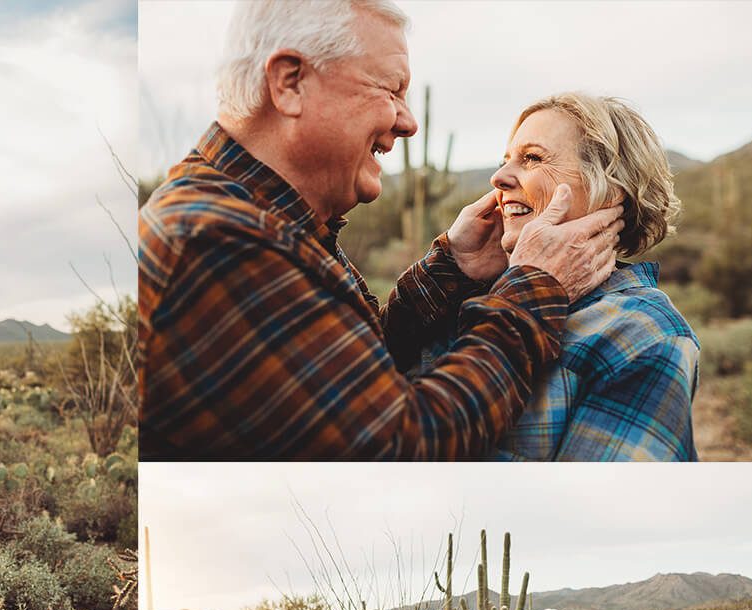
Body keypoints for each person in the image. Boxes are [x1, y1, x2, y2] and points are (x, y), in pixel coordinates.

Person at [138, 0, 626, 459]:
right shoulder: (222, 242)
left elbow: (342, 385)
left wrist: (450, 270)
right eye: (391, 90)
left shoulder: (266, 218)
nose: (409, 122)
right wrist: (534, 290)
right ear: (290, 82)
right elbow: (403, 445)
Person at [480, 95, 697, 460]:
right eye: (506, 160)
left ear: (610, 191)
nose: (498, 177)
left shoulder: (642, 332)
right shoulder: (478, 293)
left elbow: (601, 504)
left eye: (532, 158)